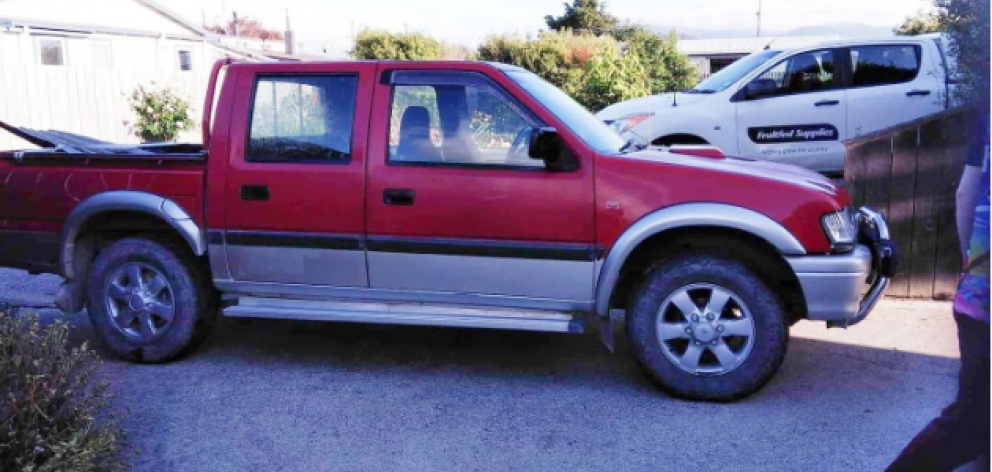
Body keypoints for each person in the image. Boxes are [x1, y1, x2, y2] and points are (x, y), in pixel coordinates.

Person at [885, 110, 990, 471]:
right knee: (976, 422)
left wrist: (972, 269)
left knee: (974, 419)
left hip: (980, 294)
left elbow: (966, 193)